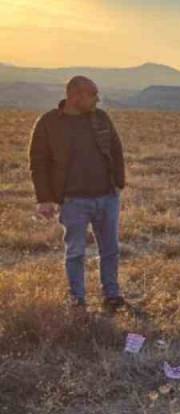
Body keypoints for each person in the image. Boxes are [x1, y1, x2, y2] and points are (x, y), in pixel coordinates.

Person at [28, 75, 127, 310]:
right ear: (76, 96)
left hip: (106, 196)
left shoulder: (101, 118)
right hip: (73, 200)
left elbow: (116, 148)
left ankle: (111, 295)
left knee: (110, 249)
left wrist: (118, 183)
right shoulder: (49, 123)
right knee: (75, 252)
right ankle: (77, 299)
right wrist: (44, 199)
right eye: (93, 94)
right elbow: (38, 162)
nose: (98, 99)